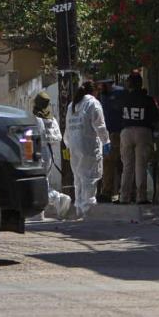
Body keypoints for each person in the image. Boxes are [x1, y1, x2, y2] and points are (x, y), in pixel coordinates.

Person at [63, 81, 110, 218]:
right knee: (90, 178)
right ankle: (88, 210)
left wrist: (67, 144)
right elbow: (100, 126)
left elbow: (67, 127)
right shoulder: (93, 103)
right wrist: (106, 142)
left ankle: (79, 208)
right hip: (88, 147)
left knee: (78, 179)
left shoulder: (72, 105)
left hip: (74, 146)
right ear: (94, 91)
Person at [119, 72, 159, 205]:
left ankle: (124, 197)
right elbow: (156, 117)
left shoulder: (123, 97)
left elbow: (117, 113)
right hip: (143, 131)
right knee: (140, 165)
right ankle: (140, 197)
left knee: (127, 166)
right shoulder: (148, 99)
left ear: (129, 84)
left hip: (126, 132)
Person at [32, 91, 71, 220]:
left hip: (38, 152)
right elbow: (58, 137)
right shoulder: (51, 118)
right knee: (43, 181)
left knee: (38, 182)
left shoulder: (36, 118)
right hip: (49, 152)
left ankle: (57, 199)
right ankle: (39, 212)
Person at [97, 79, 124, 203]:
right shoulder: (103, 95)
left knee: (119, 164)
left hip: (119, 133)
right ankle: (109, 192)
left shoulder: (120, 93)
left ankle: (118, 192)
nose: (100, 87)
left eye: (102, 84)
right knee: (108, 164)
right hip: (108, 135)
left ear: (108, 84)